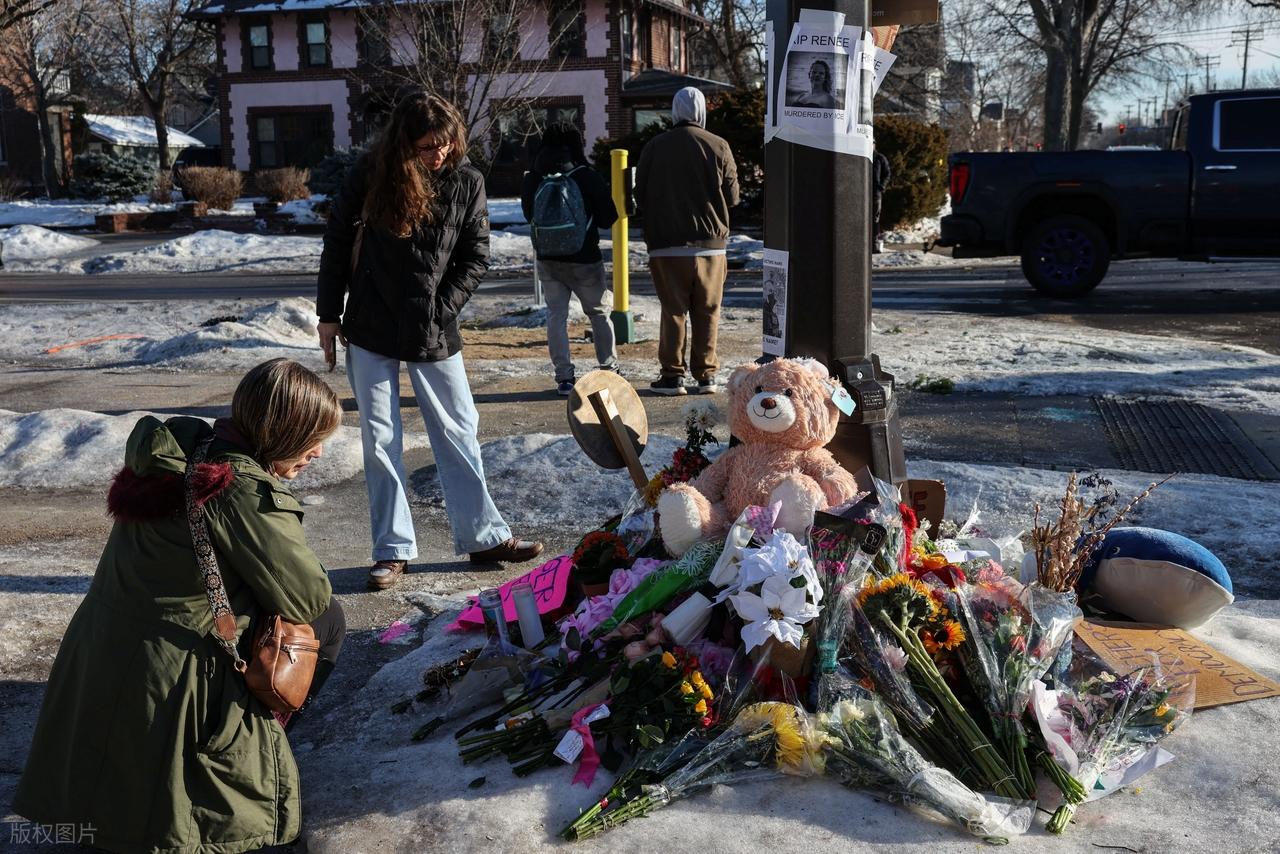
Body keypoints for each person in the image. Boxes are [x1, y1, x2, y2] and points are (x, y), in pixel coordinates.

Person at [13, 358, 346, 853]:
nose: (318, 452)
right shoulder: (239, 488)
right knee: (325, 619)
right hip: (171, 669)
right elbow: (307, 595)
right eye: (311, 439)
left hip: (100, 652)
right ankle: (260, 749)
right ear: (281, 432)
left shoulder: (185, 452)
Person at [317, 92, 543, 590]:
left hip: (434, 328)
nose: (438, 154)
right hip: (370, 323)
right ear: (404, 145)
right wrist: (328, 314)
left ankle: (484, 536)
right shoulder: (371, 174)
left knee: (459, 429)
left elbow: (475, 256)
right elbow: (337, 242)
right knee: (380, 439)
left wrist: (440, 310)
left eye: (444, 144)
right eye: (425, 147)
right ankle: (391, 549)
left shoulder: (467, 180)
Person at [635, 86, 739, 396]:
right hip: (710, 245)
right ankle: (706, 375)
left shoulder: (654, 146)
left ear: (675, 111)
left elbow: (640, 195)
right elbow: (733, 196)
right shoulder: (719, 145)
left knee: (673, 311)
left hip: (665, 244)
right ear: (702, 112)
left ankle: (672, 376)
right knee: (708, 310)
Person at [520, 121, 620, 396]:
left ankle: (564, 377)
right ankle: (609, 369)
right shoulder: (586, 175)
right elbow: (608, 217)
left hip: (548, 259)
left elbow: (529, 215)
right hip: (585, 258)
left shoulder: (533, 177)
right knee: (599, 313)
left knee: (556, 316)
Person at [872, 147, 891, 253]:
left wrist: (881, 186)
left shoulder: (879, 158)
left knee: (875, 219)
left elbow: (887, 173)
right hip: (861, 193)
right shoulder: (860, 155)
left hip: (875, 194)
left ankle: (874, 244)